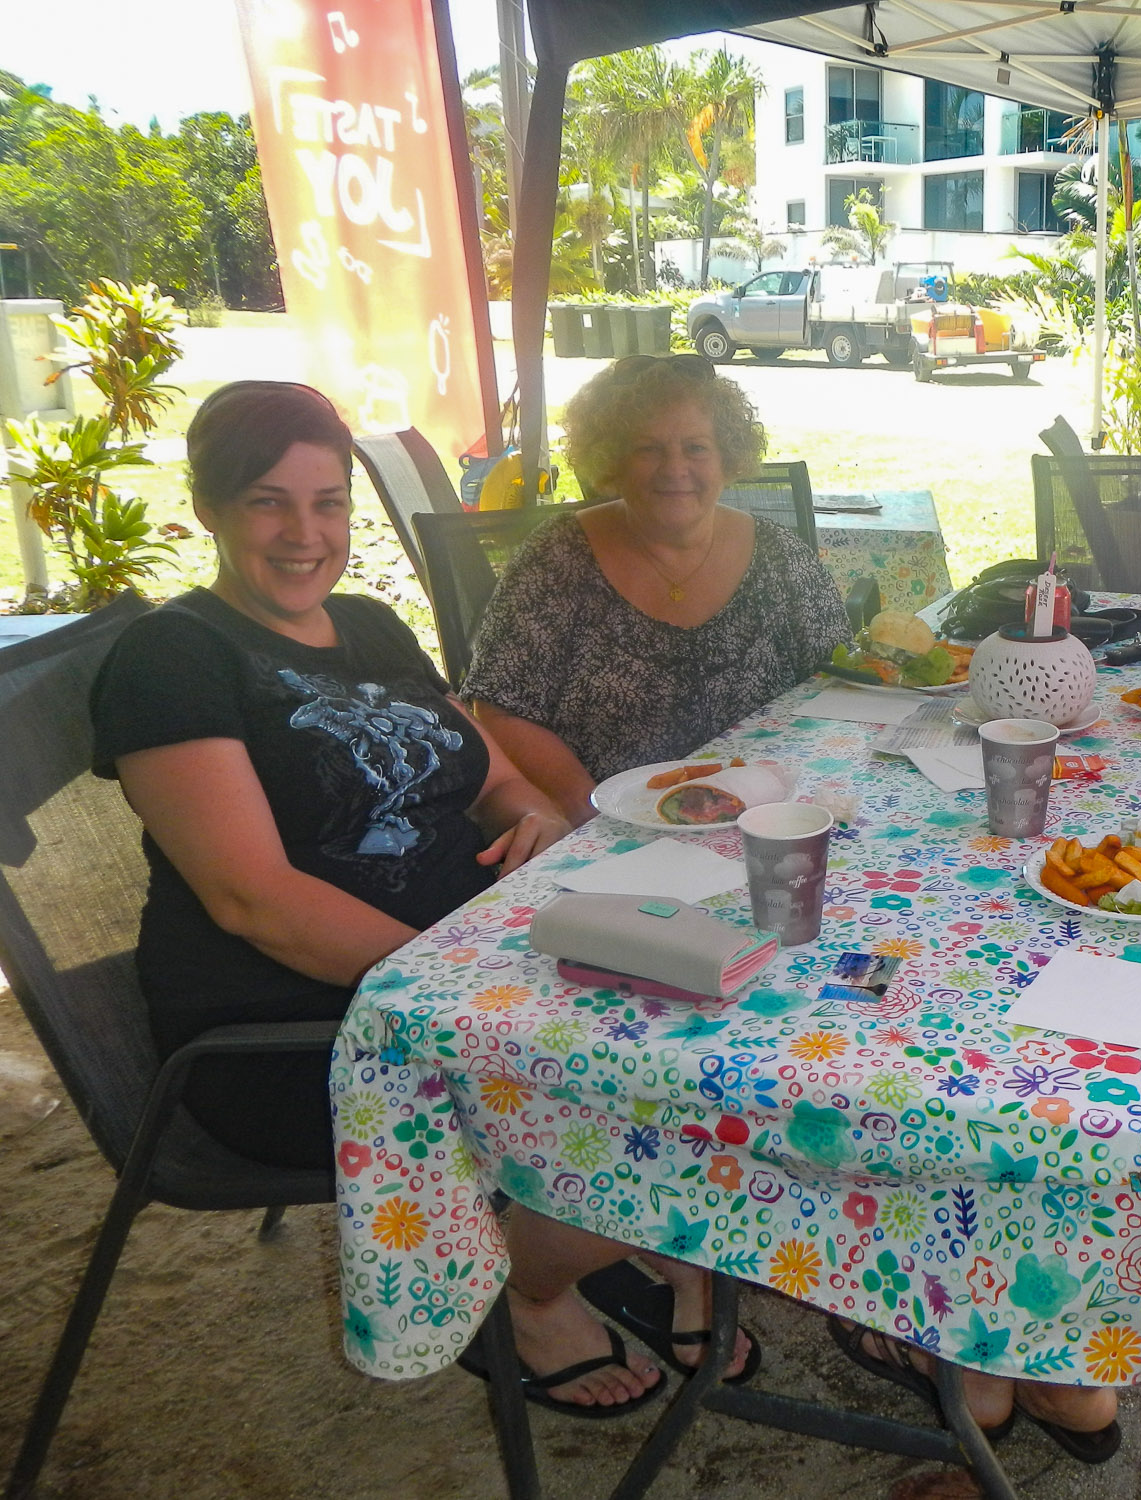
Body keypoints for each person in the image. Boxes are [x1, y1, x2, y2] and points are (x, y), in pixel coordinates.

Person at [91, 382, 749, 1416]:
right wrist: (463, 988)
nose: (305, 534)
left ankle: (612, 1233)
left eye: (328, 503)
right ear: (209, 508)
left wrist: (535, 821)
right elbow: (253, 899)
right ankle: (529, 1288)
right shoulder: (173, 658)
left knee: (724, 1017)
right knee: (650, 1096)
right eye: (268, 503)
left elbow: (496, 778)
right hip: (308, 1029)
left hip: (468, 963)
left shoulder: (365, 625)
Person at [464, 355, 849, 824]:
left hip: (766, 817)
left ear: (727, 459)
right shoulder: (557, 557)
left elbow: (838, 683)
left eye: (697, 448)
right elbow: (500, 709)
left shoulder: (779, 556)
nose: (674, 468)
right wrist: (587, 810)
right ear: (612, 461)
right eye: (648, 449)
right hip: (611, 823)